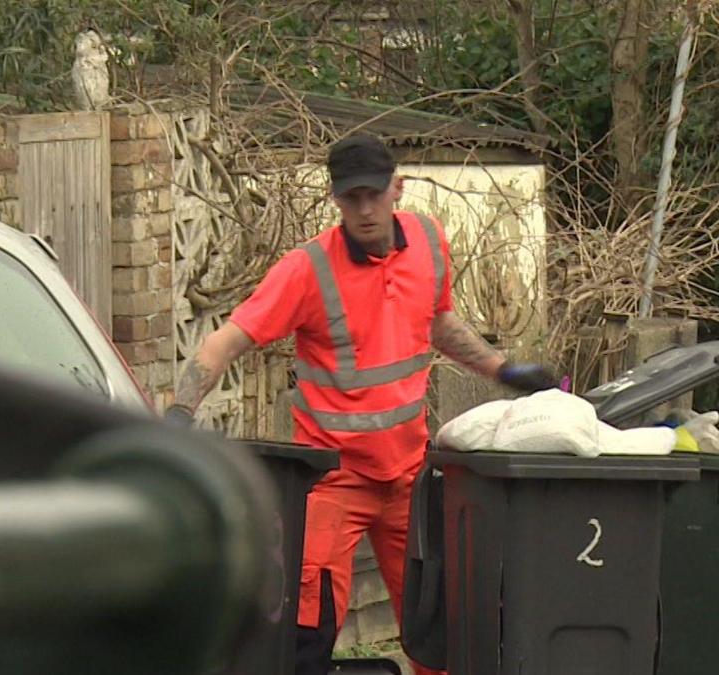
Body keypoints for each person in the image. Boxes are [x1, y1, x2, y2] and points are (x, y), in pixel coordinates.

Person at [166, 134, 555, 675]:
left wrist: (501, 370)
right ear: (335, 199)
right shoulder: (307, 270)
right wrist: (177, 417)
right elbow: (224, 343)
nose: (366, 209)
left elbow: (438, 321)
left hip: (409, 479)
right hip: (334, 482)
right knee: (307, 628)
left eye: (375, 194)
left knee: (438, 628)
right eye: (352, 198)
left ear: (397, 187)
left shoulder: (427, 240)